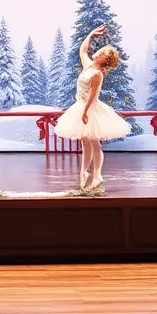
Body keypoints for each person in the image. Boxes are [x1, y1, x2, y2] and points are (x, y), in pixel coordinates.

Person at [53, 24, 132, 190]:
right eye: (101, 51)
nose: (99, 53)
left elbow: (93, 95)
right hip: (81, 105)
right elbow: (82, 50)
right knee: (85, 140)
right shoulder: (88, 66)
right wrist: (91, 34)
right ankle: (84, 172)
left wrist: (85, 111)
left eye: (103, 54)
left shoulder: (97, 74)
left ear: (105, 60)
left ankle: (97, 175)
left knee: (94, 141)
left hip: (90, 108)